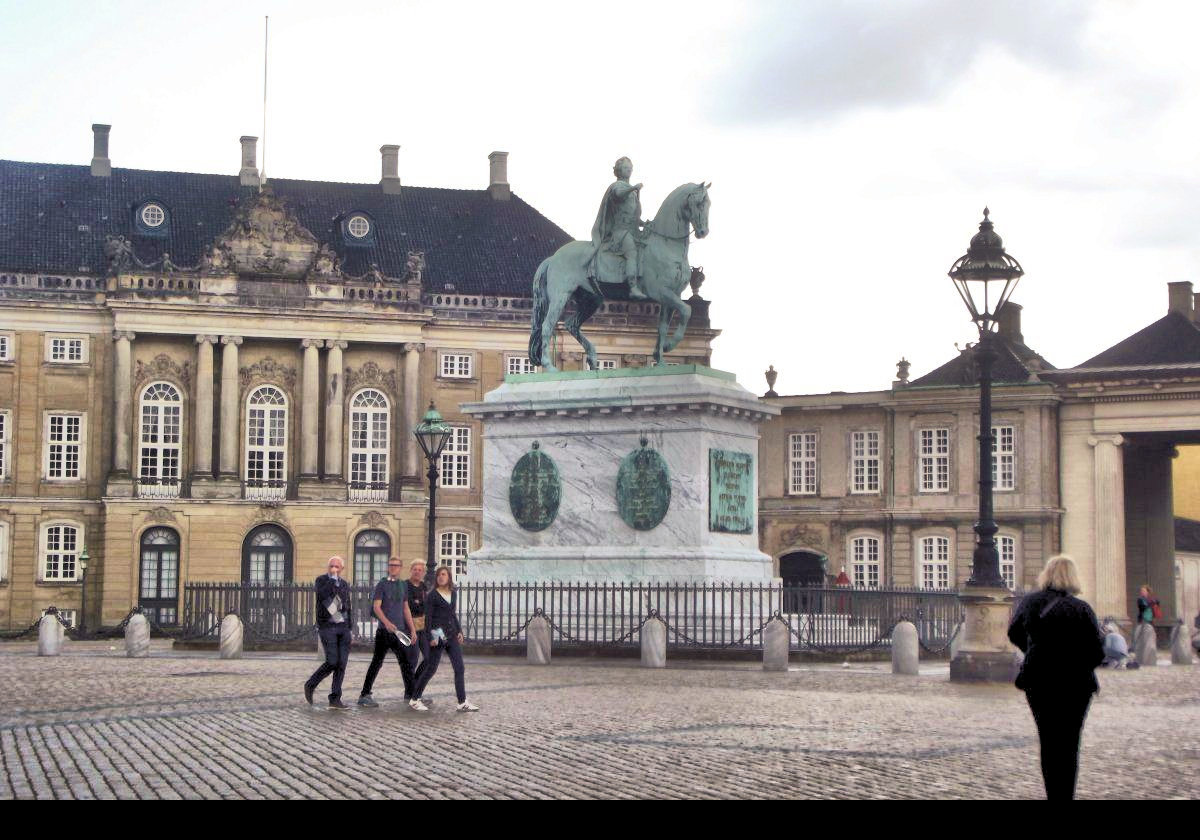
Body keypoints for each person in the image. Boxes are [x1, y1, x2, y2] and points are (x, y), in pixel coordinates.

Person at [1007, 555, 1105, 800]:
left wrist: (1034, 652)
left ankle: (1053, 794)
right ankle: (1065, 795)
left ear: (1046, 574)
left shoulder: (1030, 603)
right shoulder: (1081, 608)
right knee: (1070, 742)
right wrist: (1075, 663)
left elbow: (1014, 632)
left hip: (1039, 682)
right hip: (1076, 686)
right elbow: (1096, 652)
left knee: (1049, 740)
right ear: (1072, 577)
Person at [409, 565, 479, 712]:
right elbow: (427, 619)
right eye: (439, 575)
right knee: (431, 669)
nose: (441, 577)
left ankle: (462, 702)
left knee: (459, 667)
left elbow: (452, 614)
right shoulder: (432, 595)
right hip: (437, 635)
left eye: (444, 575)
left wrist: (459, 630)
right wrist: (429, 637)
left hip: (452, 634)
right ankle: (415, 699)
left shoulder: (453, 593)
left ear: (449, 577)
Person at [357, 556, 418, 708]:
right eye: (391, 565)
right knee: (377, 663)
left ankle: (411, 695)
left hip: (400, 632)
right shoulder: (382, 585)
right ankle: (365, 694)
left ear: (400, 567)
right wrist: (387, 623)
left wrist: (412, 629)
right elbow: (377, 607)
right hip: (384, 632)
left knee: (406, 663)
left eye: (396, 565)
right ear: (388, 567)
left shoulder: (403, 586)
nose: (393, 568)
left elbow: (406, 608)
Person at [590, 156, 646, 300]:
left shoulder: (631, 191)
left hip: (632, 230)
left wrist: (643, 223)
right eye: (626, 168)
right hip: (619, 231)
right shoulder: (617, 186)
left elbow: (633, 216)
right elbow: (618, 196)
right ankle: (633, 287)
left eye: (630, 168)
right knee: (631, 252)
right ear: (619, 170)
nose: (629, 171)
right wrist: (633, 188)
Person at [304, 556, 353, 710]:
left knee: (341, 664)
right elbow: (323, 595)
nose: (334, 569)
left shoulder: (344, 584)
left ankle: (335, 699)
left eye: (337, 567)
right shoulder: (322, 580)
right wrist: (332, 580)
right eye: (332, 566)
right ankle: (311, 684)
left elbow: (347, 605)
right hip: (328, 627)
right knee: (332, 661)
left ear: (342, 569)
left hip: (343, 628)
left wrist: (350, 627)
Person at [405, 559, 432, 709]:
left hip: (423, 627)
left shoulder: (423, 586)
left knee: (428, 659)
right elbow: (408, 606)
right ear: (411, 570)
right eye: (415, 569)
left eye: (420, 570)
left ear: (423, 572)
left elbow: (424, 606)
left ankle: (414, 686)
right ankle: (410, 692)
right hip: (410, 628)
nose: (417, 572)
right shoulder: (405, 586)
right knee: (412, 660)